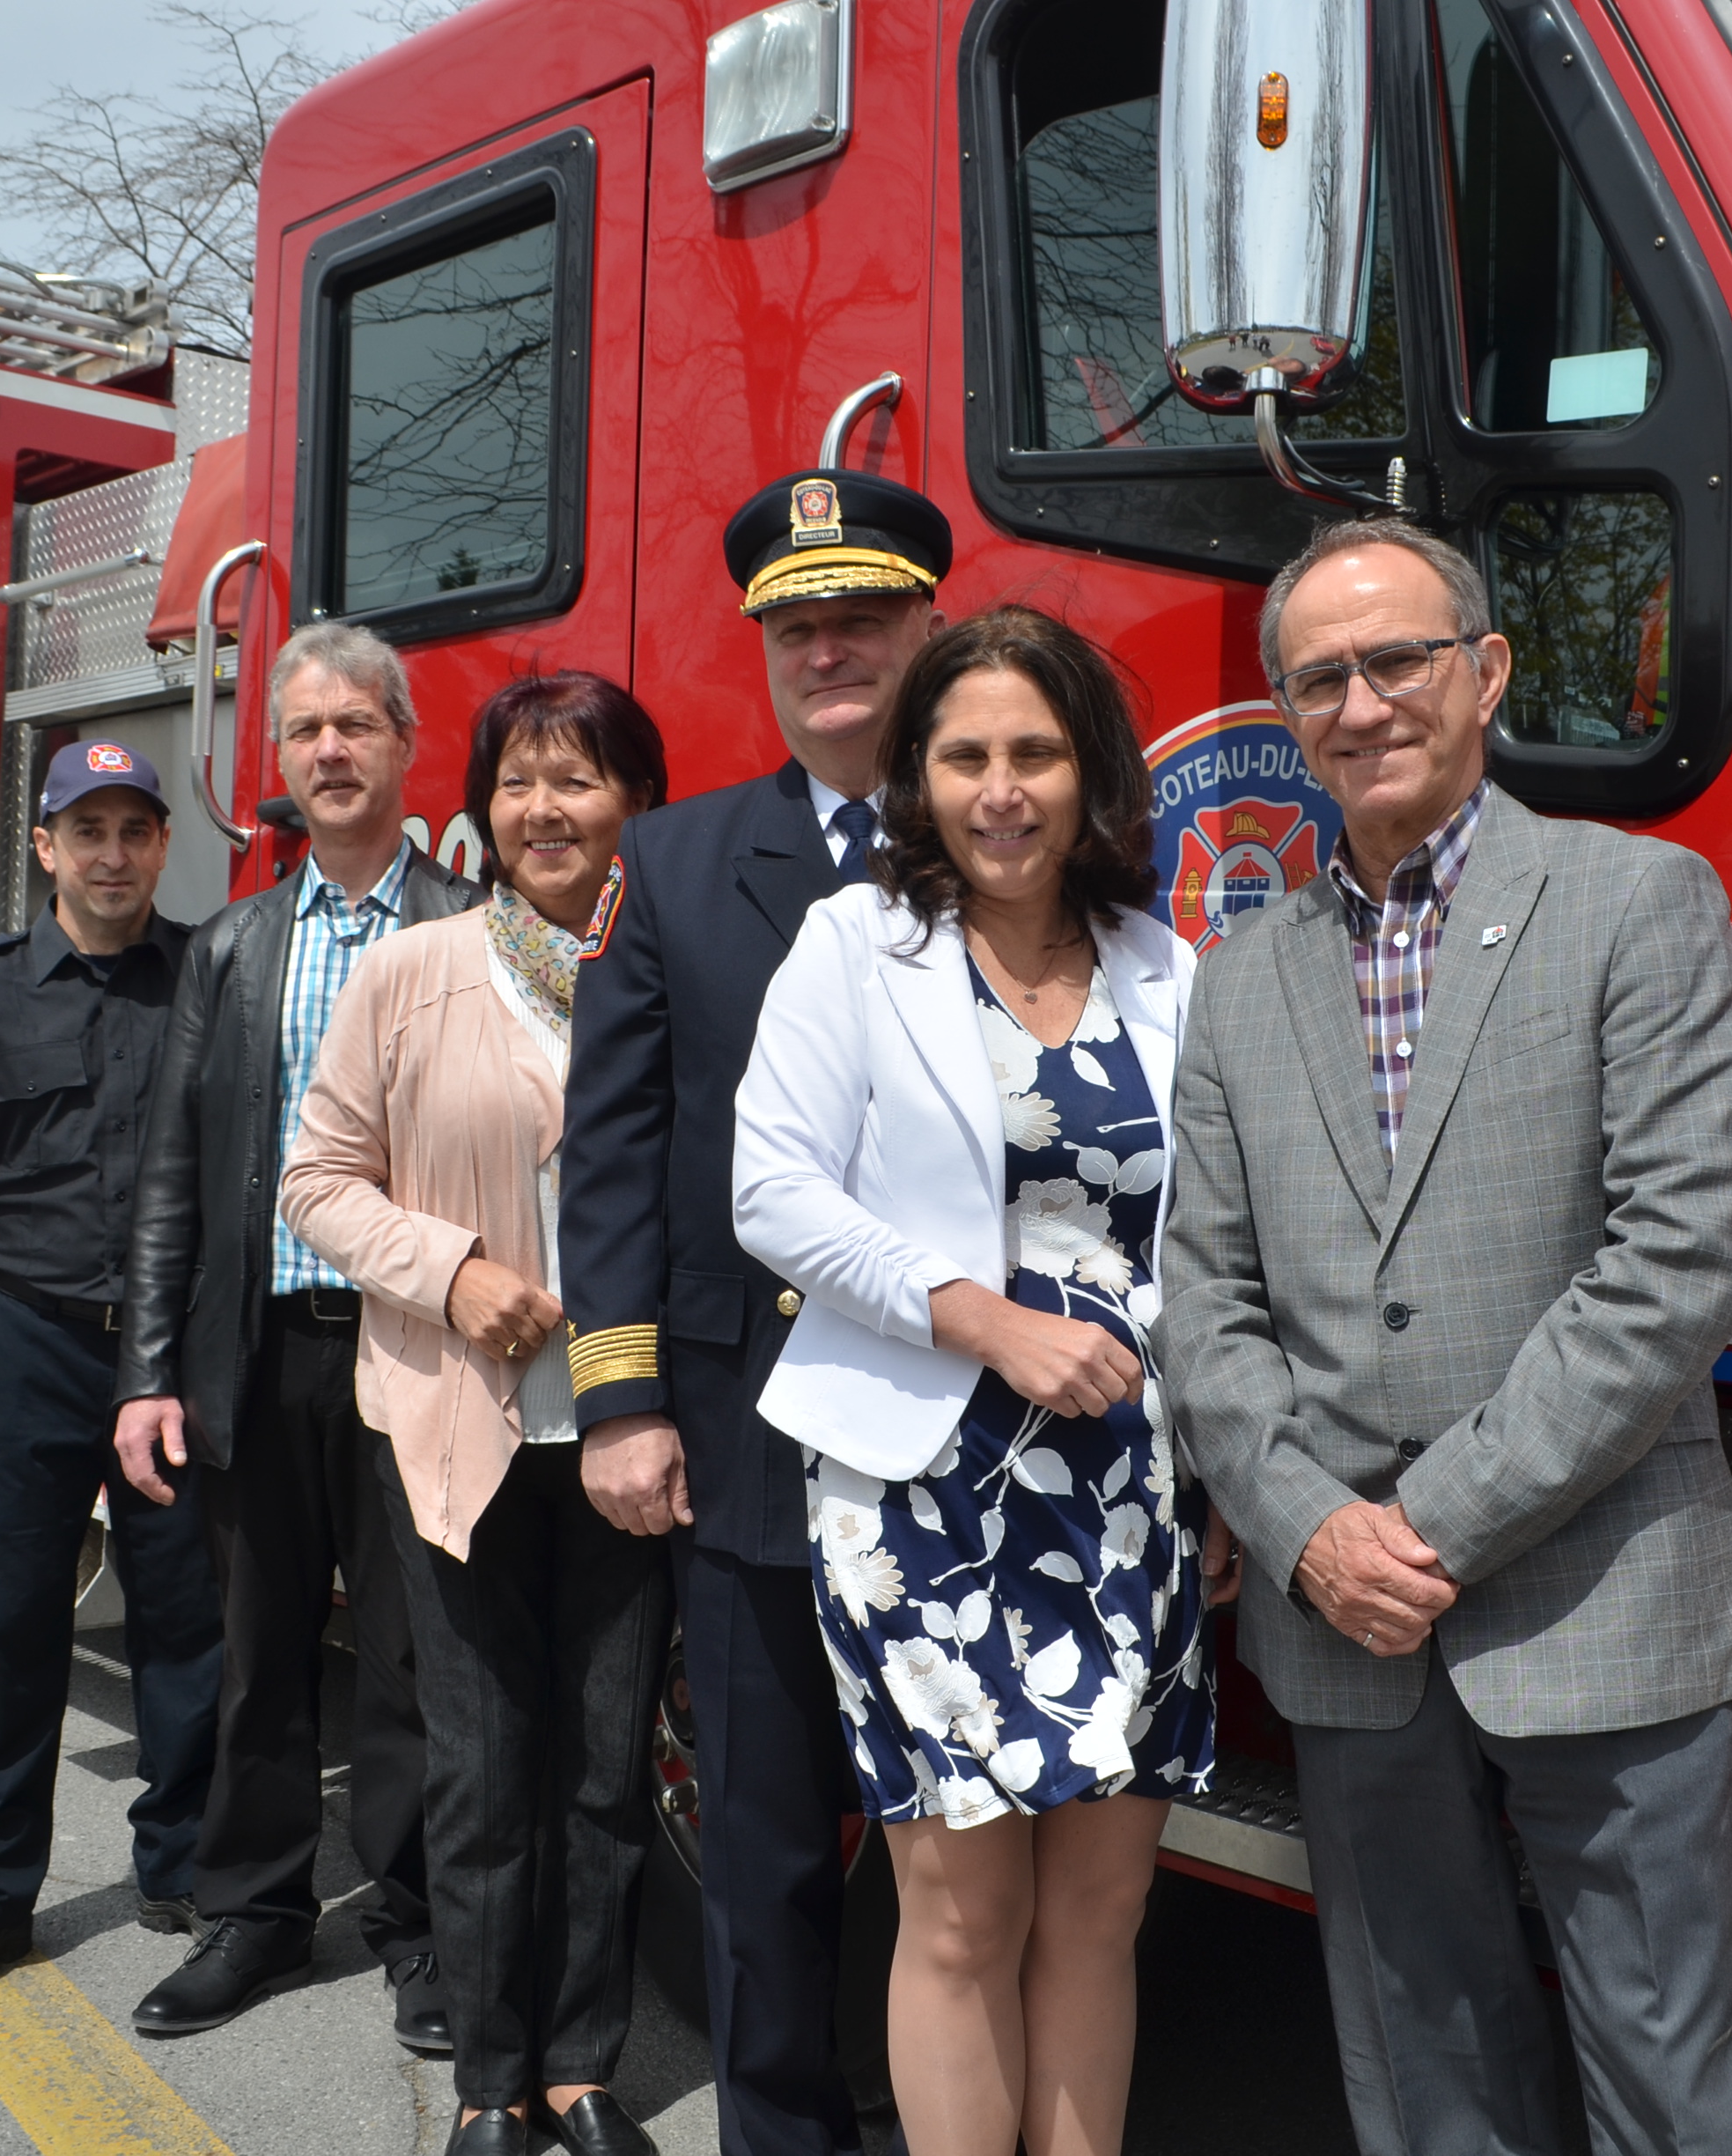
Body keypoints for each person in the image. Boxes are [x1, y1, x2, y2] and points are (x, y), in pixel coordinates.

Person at [1153, 518, 1732, 2156]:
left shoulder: (1639, 905)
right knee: (1423, 2075)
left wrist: (1418, 1529)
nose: (1361, 704)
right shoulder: (1240, 980)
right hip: (1345, 1630)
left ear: (1486, 673)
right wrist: (1308, 1534)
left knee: (1670, 2080)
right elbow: (1204, 1299)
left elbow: (1678, 1262)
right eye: (1321, 680)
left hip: (1600, 1601)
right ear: (1290, 719)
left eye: (1398, 660)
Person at [732, 607, 1232, 2156]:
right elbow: (772, 1192)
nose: (1001, 791)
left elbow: (1221, 1235)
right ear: (917, 777)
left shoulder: (1167, 964)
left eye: (1035, 753)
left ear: (1092, 774)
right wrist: (987, 1322)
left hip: (1135, 1495)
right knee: (961, 1917)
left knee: (1101, 1912)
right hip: (926, 1491)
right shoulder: (856, 945)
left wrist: (1221, 1471)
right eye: (964, 757)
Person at [558, 466, 952, 2156]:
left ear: (929, 629)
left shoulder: (1007, 827)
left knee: (972, 1848)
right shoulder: (675, 859)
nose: (828, 651)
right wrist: (623, 1401)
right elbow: (615, 1150)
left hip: (970, 1424)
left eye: (861, 618)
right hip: (750, 1431)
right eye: (797, 628)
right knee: (772, 1848)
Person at [281, 673, 676, 2156]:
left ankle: (582, 2068)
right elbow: (316, 1181)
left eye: (578, 779)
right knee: (482, 1764)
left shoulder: (675, 964)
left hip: (634, 1432)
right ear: (482, 808)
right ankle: (490, 2081)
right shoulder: (413, 970)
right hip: (457, 1422)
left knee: (606, 1763)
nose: (544, 809)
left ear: (635, 801)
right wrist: (449, 1276)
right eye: (517, 782)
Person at [110, 623, 480, 2045]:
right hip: (258, 1358)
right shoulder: (232, 947)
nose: (331, 751)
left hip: (418, 1356)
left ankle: (419, 1927)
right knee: (258, 1654)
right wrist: (150, 1375)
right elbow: (171, 1179)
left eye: (356, 726)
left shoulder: (474, 925)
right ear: (281, 759)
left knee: (411, 1661)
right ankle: (254, 1917)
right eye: (307, 731)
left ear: (404, 745)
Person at [0, 740, 224, 2008]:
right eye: (88, 831)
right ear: (46, 845)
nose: (112, 855)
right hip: (25, 1342)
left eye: (135, 831)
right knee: (10, 1627)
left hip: (172, 1352)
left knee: (190, 1622)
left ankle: (187, 1868)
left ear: (163, 846)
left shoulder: (211, 981)